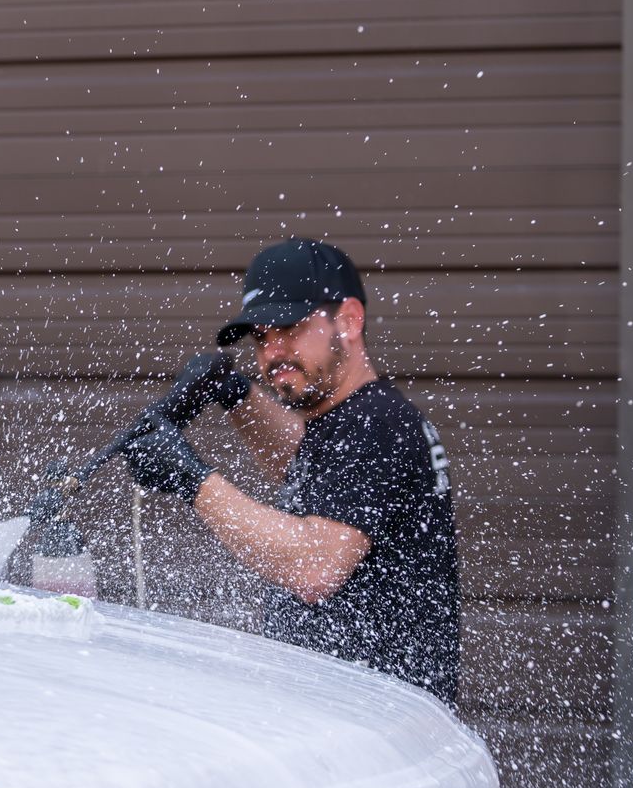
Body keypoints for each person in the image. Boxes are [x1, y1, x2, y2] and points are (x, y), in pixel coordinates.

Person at [121, 237, 462, 704]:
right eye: (261, 337)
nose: (272, 352)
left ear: (348, 321)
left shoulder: (374, 425)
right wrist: (234, 394)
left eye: (289, 328)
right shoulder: (352, 419)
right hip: (352, 715)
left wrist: (191, 478)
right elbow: (313, 473)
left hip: (371, 727)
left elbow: (314, 567)